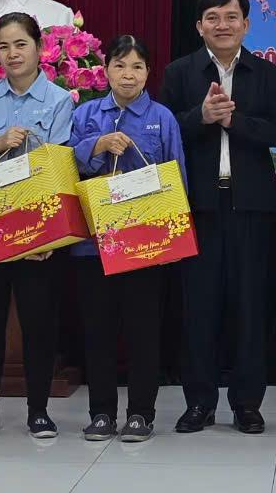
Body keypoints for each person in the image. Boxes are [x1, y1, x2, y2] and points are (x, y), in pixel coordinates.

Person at [159, 0, 276, 435]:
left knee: (249, 307)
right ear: (199, 26)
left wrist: (235, 121)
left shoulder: (267, 74)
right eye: (212, 17)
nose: (222, 25)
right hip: (198, 206)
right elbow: (166, 132)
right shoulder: (180, 74)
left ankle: (247, 404)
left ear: (246, 24)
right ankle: (198, 402)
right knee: (198, 307)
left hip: (251, 207)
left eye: (231, 17)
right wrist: (202, 116)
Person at [0, 12, 74, 439]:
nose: (12, 53)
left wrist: (49, 233)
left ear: (40, 48)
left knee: (39, 322)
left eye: (20, 44)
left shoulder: (60, 101)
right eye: (3, 46)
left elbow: (58, 166)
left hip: (38, 231)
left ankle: (38, 409)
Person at [68, 35, 185, 443]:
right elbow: (68, 168)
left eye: (137, 67)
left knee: (143, 331)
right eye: (120, 66)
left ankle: (141, 414)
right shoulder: (85, 115)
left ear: (148, 72)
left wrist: (173, 238)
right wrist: (98, 144)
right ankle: (101, 413)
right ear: (106, 71)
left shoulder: (163, 117)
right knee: (97, 330)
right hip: (94, 244)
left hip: (146, 242)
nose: (128, 74)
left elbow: (177, 178)